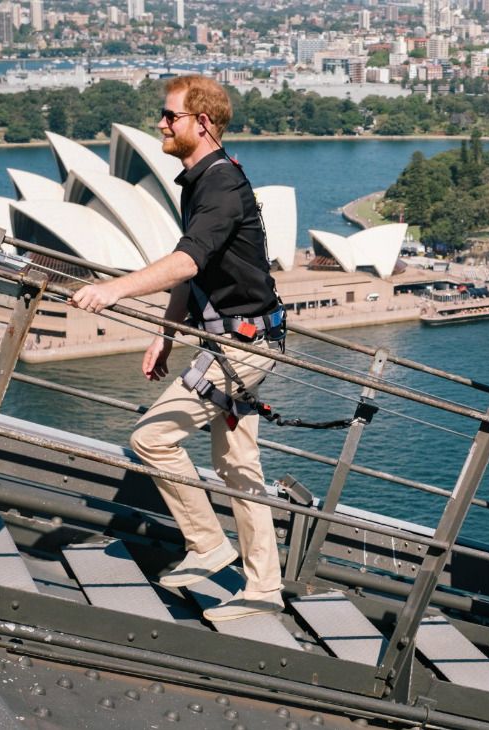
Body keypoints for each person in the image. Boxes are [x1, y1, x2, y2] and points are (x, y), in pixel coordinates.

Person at [70, 75, 285, 622]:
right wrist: (165, 332)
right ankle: (263, 587)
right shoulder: (199, 180)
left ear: (203, 123)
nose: (161, 124)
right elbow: (193, 269)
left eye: (171, 117)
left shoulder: (220, 185)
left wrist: (113, 288)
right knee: (239, 466)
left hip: (244, 344)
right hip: (240, 337)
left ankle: (208, 543)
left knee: (151, 437)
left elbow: (188, 261)